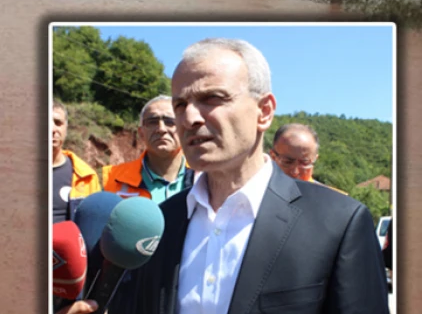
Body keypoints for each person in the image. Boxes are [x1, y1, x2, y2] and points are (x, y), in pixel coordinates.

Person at [110, 38, 389, 314]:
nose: (189, 118)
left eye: (212, 98)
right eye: (180, 104)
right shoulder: (162, 222)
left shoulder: (339, 223)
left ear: (264, 112)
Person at [101, 95, 193, 202]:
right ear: (141, 133)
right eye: (152, 122)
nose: (161, 129)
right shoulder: (113, 179)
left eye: (170, 121)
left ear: (184, 129)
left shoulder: (204, 178)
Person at [52, 100, 100, 223]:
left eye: (58, 123)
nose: (52, 128)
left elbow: (93, 224)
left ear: (66, 128)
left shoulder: (87, 178)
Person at [269, 123, 346, 194]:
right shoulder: (259, 193)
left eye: (304, 163)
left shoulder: (333, 198)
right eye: (287, 162)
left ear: (315, 159)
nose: (295, 172)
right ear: (273, 157)